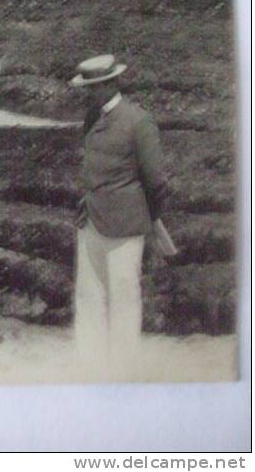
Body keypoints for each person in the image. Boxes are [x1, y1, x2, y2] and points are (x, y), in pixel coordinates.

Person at [70, 55, 168, 370]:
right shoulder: (91, 117)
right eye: (86, 87)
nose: (88, 93)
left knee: (124, 295)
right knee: (88, 295)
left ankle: (124, 367)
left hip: (125, 223)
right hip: (90, 221)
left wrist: (148, 215)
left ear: (113, 83)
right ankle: (91, 365)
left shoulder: (139, 121)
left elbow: (155, 180)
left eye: (94, 87)